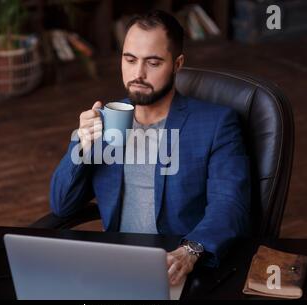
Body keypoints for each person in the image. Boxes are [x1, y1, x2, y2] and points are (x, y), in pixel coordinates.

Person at [50, 10, 251, 285]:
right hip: (113, 266)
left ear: (177, 64)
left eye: (153, 63)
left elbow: (230, 205)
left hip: (176, 269)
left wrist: (190, 251)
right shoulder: (105, 122)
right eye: (130, 60)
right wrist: (81, 148)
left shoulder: (217, 124)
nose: (138, 74)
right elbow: (62, 206)